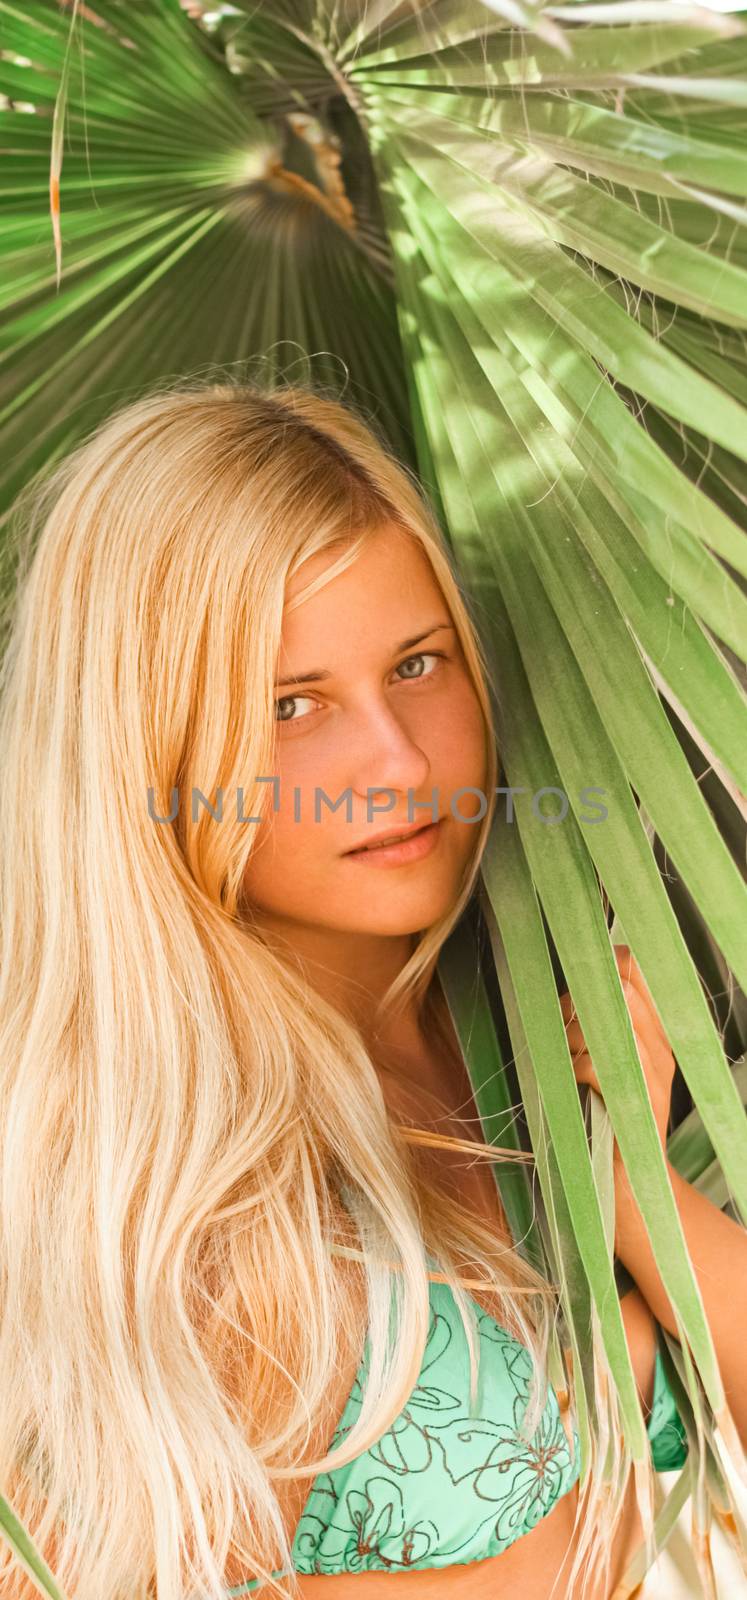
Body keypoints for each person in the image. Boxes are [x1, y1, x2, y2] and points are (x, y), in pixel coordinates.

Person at [0, 379, 695, 1600]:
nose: (396, 759)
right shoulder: (198, 1182)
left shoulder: (535, 1003)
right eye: (291, 705)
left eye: (418, 663)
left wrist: (638, 1185)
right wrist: (574, 1542)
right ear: (146, 748)